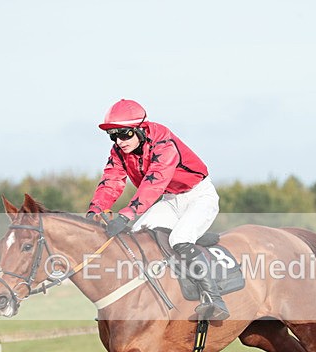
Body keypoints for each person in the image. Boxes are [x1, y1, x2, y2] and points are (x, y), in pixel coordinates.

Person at [86, 99, 230, 321]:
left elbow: (154, 184)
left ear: (140, 129)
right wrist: (94, 213)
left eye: (124, 134)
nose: (119, 141)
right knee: (136, 237)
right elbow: (111, 181)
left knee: (179, 239)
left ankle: (214, 298)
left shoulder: (164, 144)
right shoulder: (119, 151)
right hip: (171, 200)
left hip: (199, 197)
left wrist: (125, 215)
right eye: (113, 135)